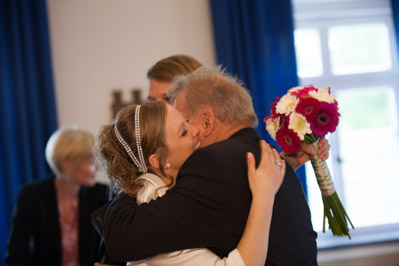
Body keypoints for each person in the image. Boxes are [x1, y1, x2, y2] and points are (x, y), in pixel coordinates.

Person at [93, 67, 329, 265]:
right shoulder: (271, 161)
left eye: (186, 122)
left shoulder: (211, 164)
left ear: (207, 121)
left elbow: (123, 237)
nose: (192, 133)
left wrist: (130, 178)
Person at [94, 102, 285, 265]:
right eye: (183, 132)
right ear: (158, 161)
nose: (196, 130)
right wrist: (264, 195)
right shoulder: (156, 205)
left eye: (186, 121)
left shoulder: (168, 191)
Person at [6, 126, 110, 266]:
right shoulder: (31, 196)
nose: (96, 168)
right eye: (90, 162)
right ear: (66, 165)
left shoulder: (102, 194)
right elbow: (16, 255)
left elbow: (111, 248)